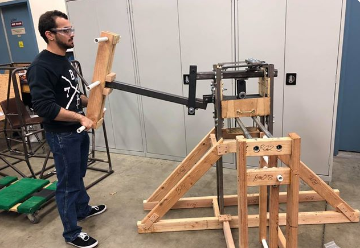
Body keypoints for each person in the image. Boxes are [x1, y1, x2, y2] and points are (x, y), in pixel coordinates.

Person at [27, 10, 105, 248]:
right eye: (66, 30)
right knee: (67, 183)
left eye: (71, 29)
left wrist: (95, 98)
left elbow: (71, 96)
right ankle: (71, 233)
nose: (72, 34)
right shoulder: (40, 67)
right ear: (50, 35)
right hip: (62, 135)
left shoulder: (64, 59)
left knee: (77, 175)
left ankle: (82, 209)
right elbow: (44, 107)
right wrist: (79, 119)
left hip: (76, 131)